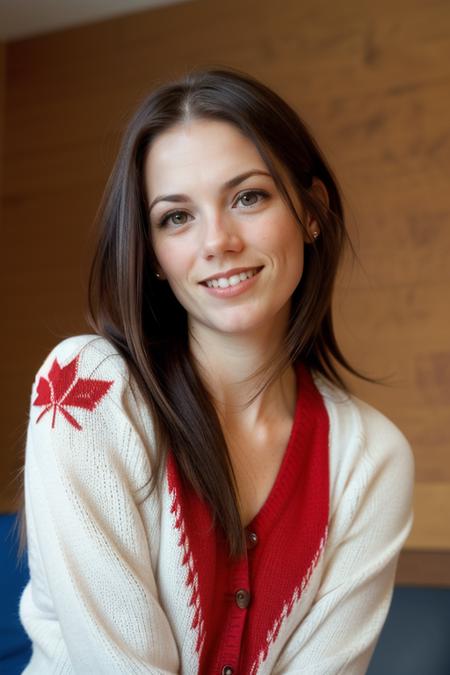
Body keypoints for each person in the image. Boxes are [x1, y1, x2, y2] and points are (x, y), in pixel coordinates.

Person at [18, 67, 414, 674]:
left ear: (310, 212)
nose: (217, 241)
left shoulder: (373, 458)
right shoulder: (82, 390)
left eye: (248, 197)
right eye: (177, 217)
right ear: (153, 254)